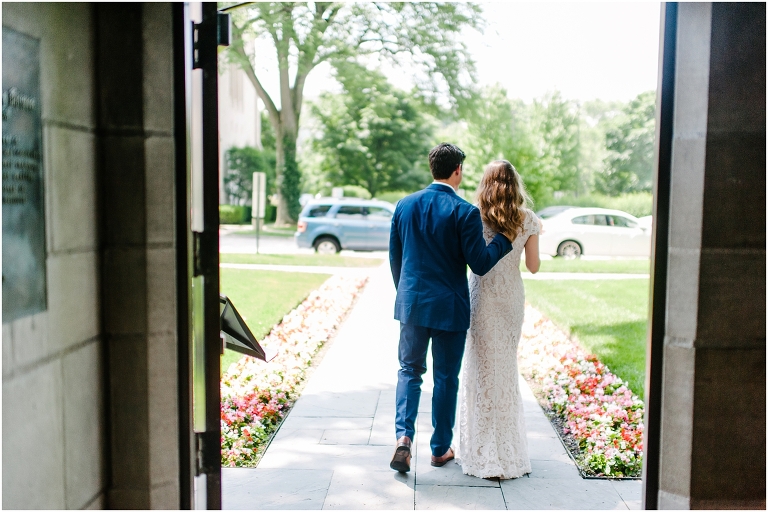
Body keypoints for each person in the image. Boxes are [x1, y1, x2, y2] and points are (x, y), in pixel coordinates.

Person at [388, 143, 513, 473]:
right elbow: (481, 264)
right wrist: (504, 238)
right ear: (457, 169)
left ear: (433, 168)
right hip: (450, 310)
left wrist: (407, 295)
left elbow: (396, 259)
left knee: (409, 372)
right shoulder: (465, 212)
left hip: (412, 305)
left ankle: (403, 438)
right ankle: (440, 448)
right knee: (445, 379)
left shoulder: (404, 205)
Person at [455, 160, 541, 479]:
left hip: (483, 298)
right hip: (510, 299)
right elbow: (533, 266)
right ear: (515, 184)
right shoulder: (528, 219)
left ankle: (481, 450)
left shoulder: (475, 216)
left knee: (480, 369)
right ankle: (508, 451)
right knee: (505, 368)